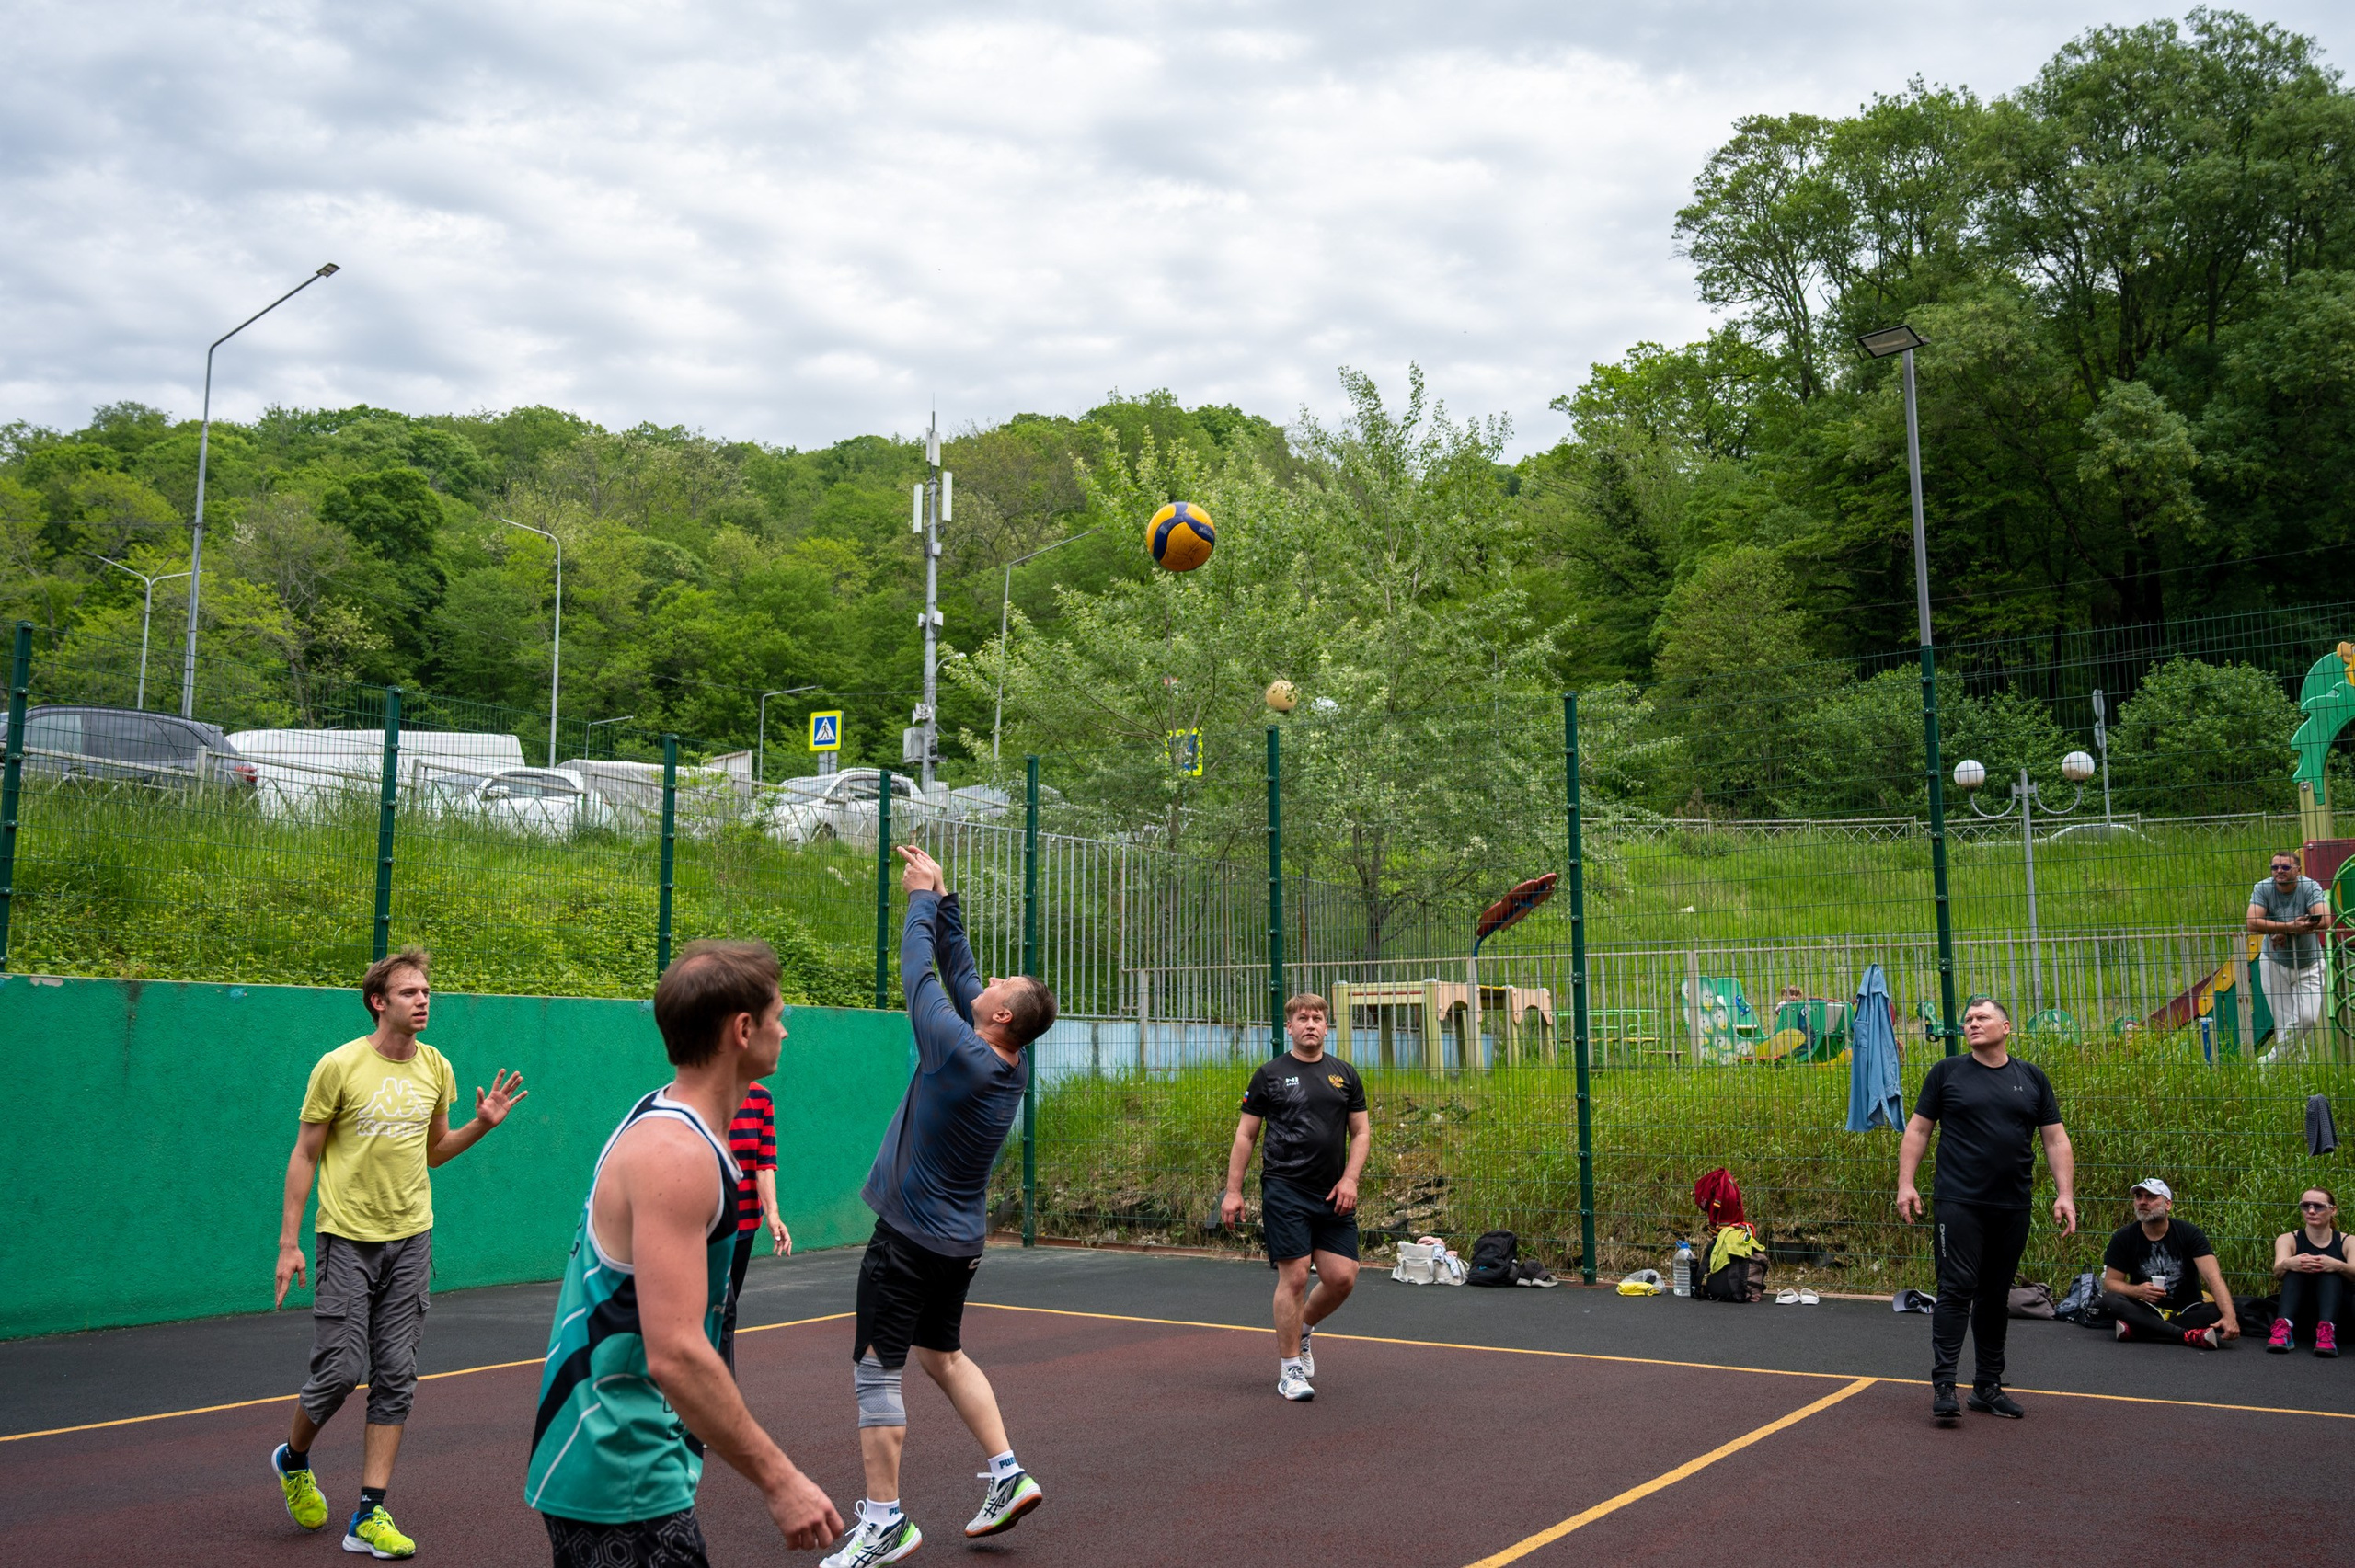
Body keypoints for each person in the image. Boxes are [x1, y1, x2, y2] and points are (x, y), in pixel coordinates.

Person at [524, 940, 841, 1565]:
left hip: (622, 1461)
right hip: (620, 1469)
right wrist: (780, 1479)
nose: (786, 1026)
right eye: (779, 1013)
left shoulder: (670, 1119)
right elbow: (676, 1352)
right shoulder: (678, 1155)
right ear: (742, 1029)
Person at [825, 845, 1060, 1568]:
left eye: (1000, 983)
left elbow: (919, 976)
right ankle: (1006, 1471)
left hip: (907, 1242)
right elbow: (962, 979)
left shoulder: (958, 1054)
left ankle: (884, 1519)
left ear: (1000, 1014)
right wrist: (948, 896)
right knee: (943, 1353)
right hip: (957, 1244)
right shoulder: (1004, 1060)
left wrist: (919, 904)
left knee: (876, 1368)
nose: (987, 980)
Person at [270, 948, 527, 1559]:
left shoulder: (437, 1067)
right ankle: (294, 1456)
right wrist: (289, 1241)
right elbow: (305, 1153)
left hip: (412, 1238)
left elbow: (435, 1150)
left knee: (396, 1377)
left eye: (427, 990)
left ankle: (369, 1513)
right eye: (410, 991)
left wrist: (483, 1123)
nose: (423, 999)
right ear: (377, 1001)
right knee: (338, 1371)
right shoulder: (338, 1066)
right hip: (346, 1239)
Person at [1896, 996, 2076, 1422]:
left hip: (2012, 1204)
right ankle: (1944, 1387)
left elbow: (2055, 1139)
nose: (1972, 1024)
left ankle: (1987, 1386)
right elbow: (1918, 1129)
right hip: (1958, 1202)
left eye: (1982, 1018)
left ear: (2006, 1027)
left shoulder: (2031, 1078)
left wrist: (2064, 1193)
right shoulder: (1947, 1072)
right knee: (1957, 1290)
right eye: (1968, 1020)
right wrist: (1906, 1184)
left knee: (1995, 1296)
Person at [1221, 992, 1371, 1402]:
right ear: (1289, 1026)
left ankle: (1302, 1329)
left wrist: (1350, 1179)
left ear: (1327, 1026)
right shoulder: (1269, 1075)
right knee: (1297, 1275)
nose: (1310, 1024)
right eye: (1302, 1018)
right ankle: (1289, 1370)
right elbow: (1246, 1135)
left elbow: (1360, 1132)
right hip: (1286, 1189)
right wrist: (1233, 1192)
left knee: (1342, 1277)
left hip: (1333, 1193)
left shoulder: (1345, 1075)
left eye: (1318, 1018)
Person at [2100, 1178, 2240, 1349]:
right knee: (2109, 1300)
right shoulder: (2123, 1237)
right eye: (2138, 1197)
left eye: (2151, 1197)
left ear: (2168, 1204)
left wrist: (2230, 1318)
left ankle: (2141, 1330)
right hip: (2146, 1307)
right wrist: (2137, 1291)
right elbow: (2110, 1283)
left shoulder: (2190, 1234)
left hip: (2187, 1309)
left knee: (2220, 1309)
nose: (2142, 1202)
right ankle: (2184, 1335)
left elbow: (2213, 1278)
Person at [720, 1080, 793, 1370]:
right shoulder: (702, 1094)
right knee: (722, 1310)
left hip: (745, 1224)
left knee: (724, 1314)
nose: (783, 1033)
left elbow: (764, 1163)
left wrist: (773, 1215)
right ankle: (721, 1404)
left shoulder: (762, 1098)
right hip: (706, 1231)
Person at [2247, 852, 2329, 1059]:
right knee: (2286, 1025)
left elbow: (2325, 919)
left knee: (2307, 1017)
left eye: (2285, 867)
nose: (2279, 871)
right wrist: (2288, 927)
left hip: (2308, 962)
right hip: (2275, 962)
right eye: (2275, 868)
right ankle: (2298, 1075)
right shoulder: (2262, 887)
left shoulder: (2310, 887)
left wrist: (2285, 931)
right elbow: (2252, 923)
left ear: (2298, 870)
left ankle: (2267, 1062)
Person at [2269, 1188, 2349, 1356]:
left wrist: (2337, 1265)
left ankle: (2327, 1328)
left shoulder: (2348, 1241)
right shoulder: (2287, 1239)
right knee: (2294, 1267)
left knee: (2330, 1271)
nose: (2311, 1211)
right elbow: (2278, 1272)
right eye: (2305, 1206)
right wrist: (2289, 1263)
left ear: (2333, 1210)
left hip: (2341, 1313)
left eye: (2318, 1206)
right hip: (2302, 1311)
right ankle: (2284, 1326)